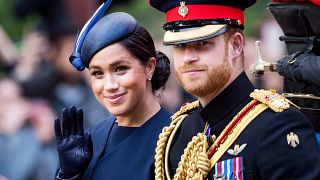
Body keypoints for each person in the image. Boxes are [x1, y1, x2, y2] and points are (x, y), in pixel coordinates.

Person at [148, 0, 320, 179]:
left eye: (203, 44)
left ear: (236, 45)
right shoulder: (180, 130)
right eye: (180, 46)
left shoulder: (278, 126)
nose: (188, 58)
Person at [54, 4, 172, 180]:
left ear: (149, 67)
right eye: (98, 73)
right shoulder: (92, 138)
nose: (109, 85)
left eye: (120, 69)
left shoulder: (176, 138)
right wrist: (68, 176)